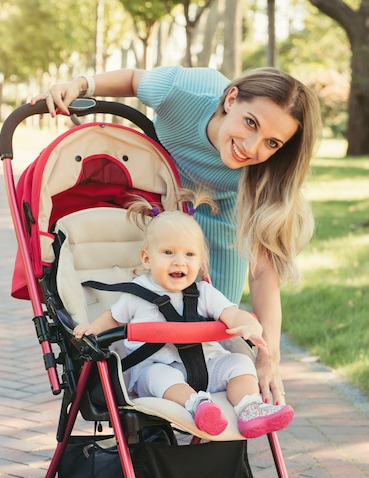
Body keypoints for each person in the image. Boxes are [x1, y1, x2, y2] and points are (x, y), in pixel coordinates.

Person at [32, 65, 322, 407]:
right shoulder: (186, 91)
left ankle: (202, 429)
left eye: (271, 142)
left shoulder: (266, 174)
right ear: (231, 99)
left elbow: (262, 272)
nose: (251, 146)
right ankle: (152, 405)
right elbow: (133, 80)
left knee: (208, 333)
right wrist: (79, 84)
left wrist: (269, 356)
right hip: (157, 201)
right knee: (146, 309)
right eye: (251, 123)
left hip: (222, 216)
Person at [73, 204, 294, 438]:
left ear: (200, 262)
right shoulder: (136, 294)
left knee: (239, 363)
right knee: (156, 376)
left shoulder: (204, 293)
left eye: (189, 254)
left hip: (206, 366)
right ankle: (198, 405)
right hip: (159, 368)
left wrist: (248, 323)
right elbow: (113, 317)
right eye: (168, 253)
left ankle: (248, 408)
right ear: (147, 259)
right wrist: (93, 328)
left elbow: (229, 313)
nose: (179, 262)